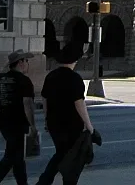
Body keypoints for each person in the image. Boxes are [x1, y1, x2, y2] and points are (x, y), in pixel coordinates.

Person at [36, 42, 95, 185]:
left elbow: (45, 99)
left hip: (53, 123)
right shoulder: (75, 79)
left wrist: (46, 118)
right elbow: (79, 103)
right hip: (71, 125)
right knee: (69, 156)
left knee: (62, 152)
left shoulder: (51, 76)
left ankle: (47, 180)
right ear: (74, 61)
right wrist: (89, 125)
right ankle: (50, 181)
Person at [0, 50, 37, 185]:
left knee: (18, 157)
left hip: (5, 125)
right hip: (19, 125)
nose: (27, 64)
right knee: (10, 158)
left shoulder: (0, 80)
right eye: (26, 61)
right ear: (20, 63)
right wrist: (33, 126)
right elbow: (27, 104)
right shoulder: (24, 81)